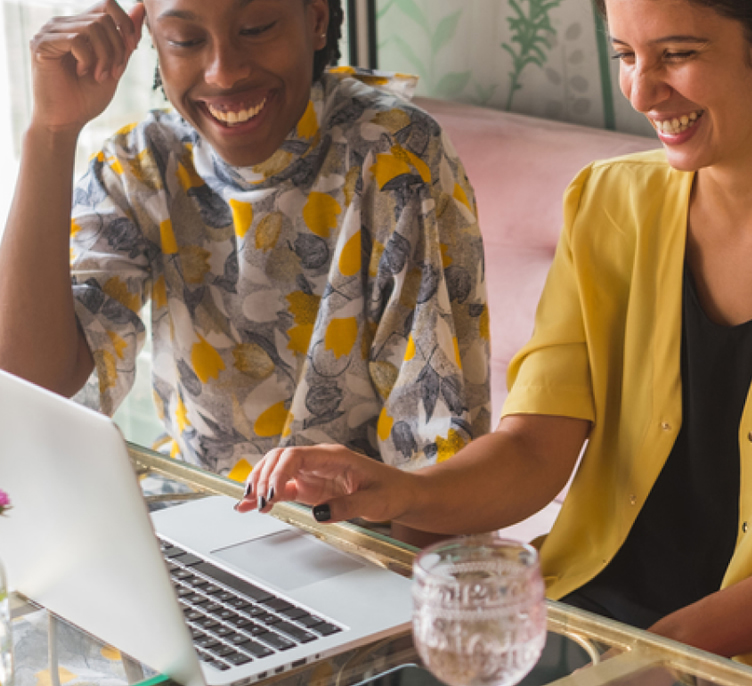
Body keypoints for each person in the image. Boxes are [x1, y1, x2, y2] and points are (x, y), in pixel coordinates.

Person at [237, 0, 752, 682]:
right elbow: (535, 449)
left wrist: (666, 650)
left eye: (678, 54)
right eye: (626, 55)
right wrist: (393, 491)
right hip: (588, 623)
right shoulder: (608, 202)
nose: (642, 90)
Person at [0, 0, 490, 485]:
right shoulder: (143, 163)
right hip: (192, 518)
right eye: (185, 41)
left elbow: (433, 445)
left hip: (353, 537)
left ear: (316, 19)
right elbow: (33, 382)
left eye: (256, 28)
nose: (224, 73)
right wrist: (51, 132)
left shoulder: (394, 157)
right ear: (153, 41)